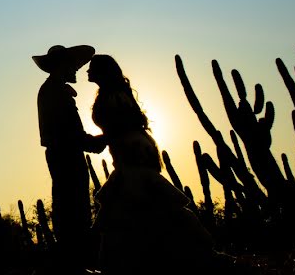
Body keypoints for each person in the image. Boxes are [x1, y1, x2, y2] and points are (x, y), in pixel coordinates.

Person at [87, 54, 216, 274]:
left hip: (131, 154)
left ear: (102, 72)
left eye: (92, 68)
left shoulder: (113, 98)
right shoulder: (115, 95)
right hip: (130, 151)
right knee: (143, 207)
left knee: (133, 206)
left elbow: (118, 126)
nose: (87, 72)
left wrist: (96, 141)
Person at [34, 44, 106, 273]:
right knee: (74, 211)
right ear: (62, 66)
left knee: (71, 209)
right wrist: (100, 140)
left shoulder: (52, 90)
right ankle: (73, 264)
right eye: (72, 66)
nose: (76, 69)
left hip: (63, 154)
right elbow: (71, 134)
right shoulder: (55, 92)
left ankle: (73, 262)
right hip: (66, 156)